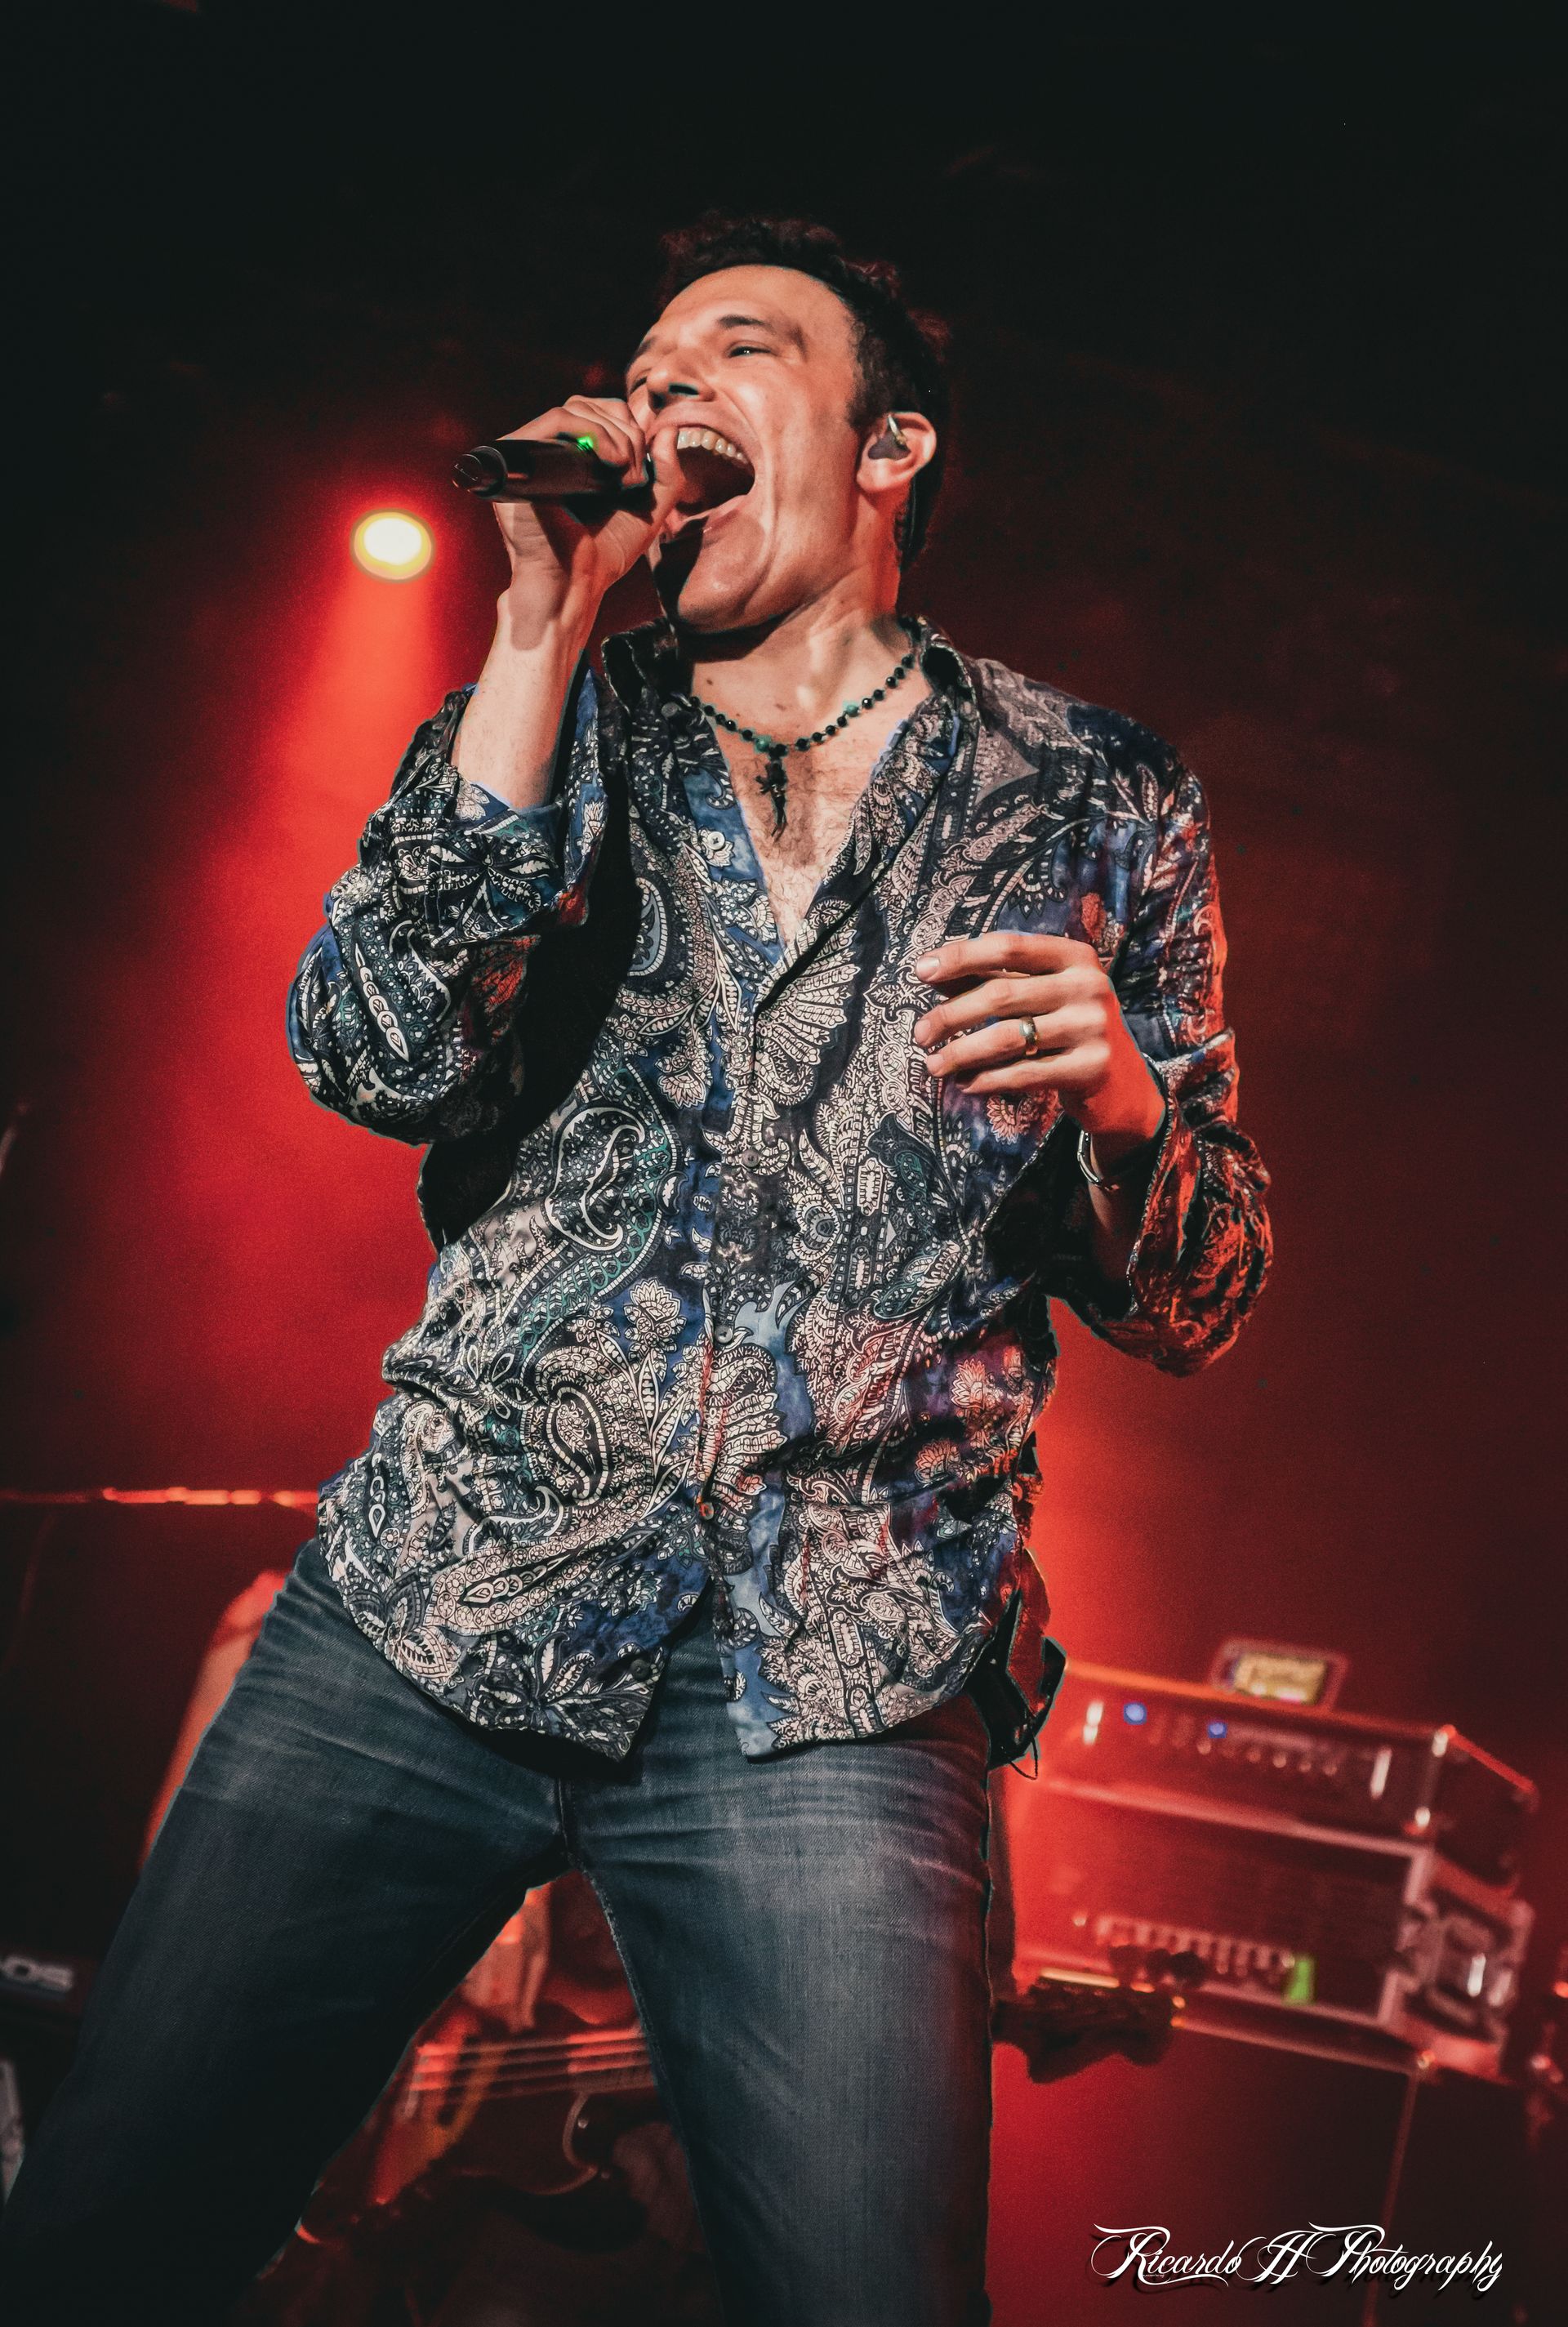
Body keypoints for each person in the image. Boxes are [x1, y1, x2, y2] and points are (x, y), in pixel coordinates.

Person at [0, 215, 1271, 2325]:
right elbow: (366, 1047)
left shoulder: (1098, 794)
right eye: (645, 359)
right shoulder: (557, 721)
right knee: (106, 2245)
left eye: (738, 351)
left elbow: (1210, 1291)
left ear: (889, 450)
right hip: (439, 1602)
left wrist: (1130, 1111)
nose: (667, 388)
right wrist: (531, 637)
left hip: (843, 1669)